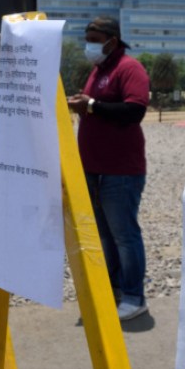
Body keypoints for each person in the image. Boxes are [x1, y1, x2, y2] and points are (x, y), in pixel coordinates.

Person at [66, 16, 151, 322]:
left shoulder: (129, 68)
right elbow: (95, 104)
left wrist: (90, 106)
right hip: (94, 169)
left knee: (125, 235)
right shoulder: (98, 70)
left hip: (121, 171)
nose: (89, 43)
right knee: (105, 235)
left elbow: (135, 110)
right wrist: (82, 103)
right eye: (87, 37)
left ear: (112, 41)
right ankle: (115, 289)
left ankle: (134, 297)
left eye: (94, 37)